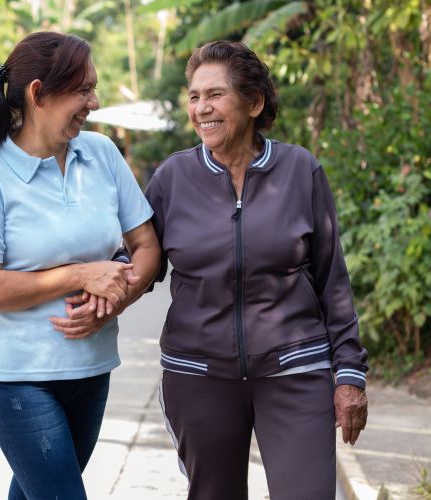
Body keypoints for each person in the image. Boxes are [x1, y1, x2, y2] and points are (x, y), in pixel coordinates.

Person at [143, 41, 369, 499]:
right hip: (199, 374)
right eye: (193, 96)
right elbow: (139, 261)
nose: (201, 108)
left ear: (255, 102)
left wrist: (349, 373)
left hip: (295, 369)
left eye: (215, 95)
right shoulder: (171, 179)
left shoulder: (300, 170)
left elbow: (332, 280)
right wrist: (95, 280)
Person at [0, 31, 160, 500]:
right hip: (16, 373)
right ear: (38, 93)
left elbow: (147, 246)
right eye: (83, 90)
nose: (94, 102)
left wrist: (119, 297)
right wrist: (80, 274)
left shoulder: (101, 154)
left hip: (91, 365)